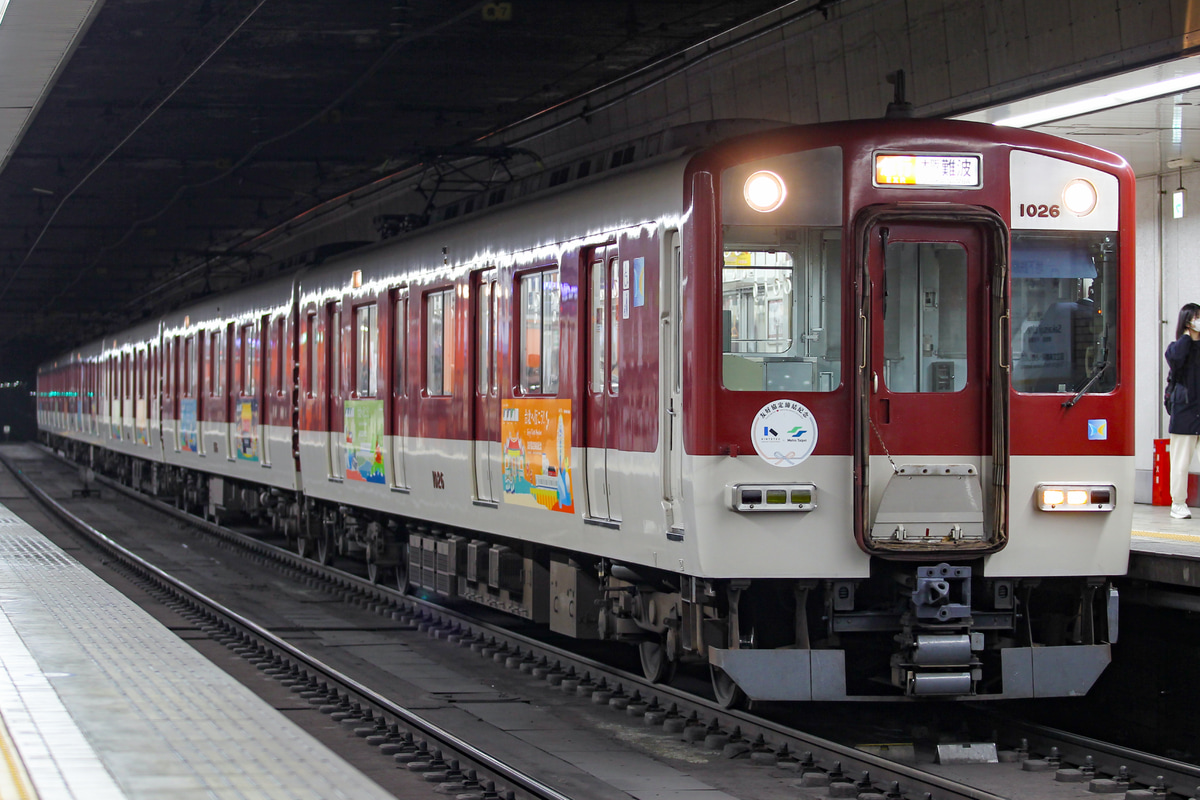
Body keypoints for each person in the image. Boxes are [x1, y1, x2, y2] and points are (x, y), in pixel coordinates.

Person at [1165, 302, 1200, 518]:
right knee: (1180, 463)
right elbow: (1175, 360)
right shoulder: (1178, 347)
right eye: (1196, 317)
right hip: (1185, 411)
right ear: (1188, 321)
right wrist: (1188, 336)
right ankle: (1178, 504)